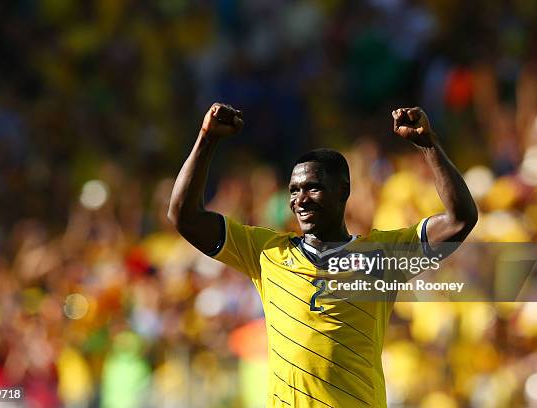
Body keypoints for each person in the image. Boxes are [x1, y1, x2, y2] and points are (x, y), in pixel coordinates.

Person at [168, 103, 477, 407]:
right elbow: (184, 216)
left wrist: (429, 146)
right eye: (293, 190)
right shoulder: (265, 251)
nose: (300, 200)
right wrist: (206, 139)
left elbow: (460, 220)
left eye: (313, 188)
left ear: (343, 191)